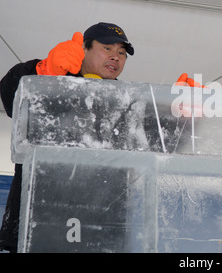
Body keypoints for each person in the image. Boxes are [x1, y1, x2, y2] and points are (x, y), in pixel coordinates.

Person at [0, 22, 134, 252]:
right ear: (85, 49)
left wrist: (177, 113)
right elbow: (11, 94)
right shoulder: (51, 78)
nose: (116, 57)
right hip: (38, 223)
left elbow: (159, 142)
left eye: (121, 53)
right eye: (107, 48)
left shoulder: (128, 102)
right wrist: (44, 72)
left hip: (100, 232)